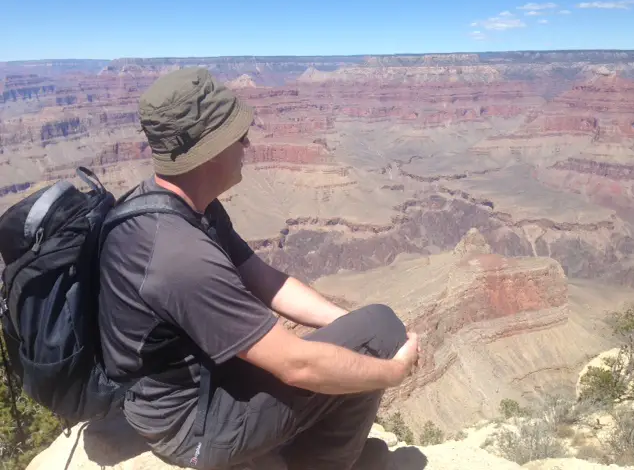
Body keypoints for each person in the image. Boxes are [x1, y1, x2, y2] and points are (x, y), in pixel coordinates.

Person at [98, 66, 420, 470]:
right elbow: (295, 365)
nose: (248, 143)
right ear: (209, 150)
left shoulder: (181, 207)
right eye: (238, 135)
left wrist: (348, 323)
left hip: (193, 388)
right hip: (190, 427)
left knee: (367, 329)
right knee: (383, 330)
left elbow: (264, 278)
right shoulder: (179, 256)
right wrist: (392, 370)